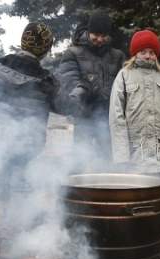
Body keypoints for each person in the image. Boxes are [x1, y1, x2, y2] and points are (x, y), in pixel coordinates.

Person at [0, 22, 95, 220]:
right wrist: (83, 86)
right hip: (27, 148)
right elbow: (70, 107)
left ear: (23, 43)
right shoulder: (45, 80)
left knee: (0, 179)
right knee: (20, 186)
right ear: (45, 52)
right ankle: (14, 234)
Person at [57, 9, 126, 174]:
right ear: (89, 31)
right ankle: (74, 196)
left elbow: (124, 83)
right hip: (84, 117)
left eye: (104, 35)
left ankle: (104, 196)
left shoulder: (117, 56)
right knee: (79, 161)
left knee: (107, 163)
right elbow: (69, 82)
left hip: (108, 120)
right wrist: (96, 90)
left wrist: (113, 93)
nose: (100, 39)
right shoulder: (73, 53)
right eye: (96, 34)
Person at [109, 30, 160, 176]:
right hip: (133, 157)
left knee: (156, 195)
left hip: (159, 156)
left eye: (152, 52)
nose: (148, 56)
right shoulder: (124, 76)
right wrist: (121, 155)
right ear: (135, 53)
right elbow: (116, 117)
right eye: (142, 51)